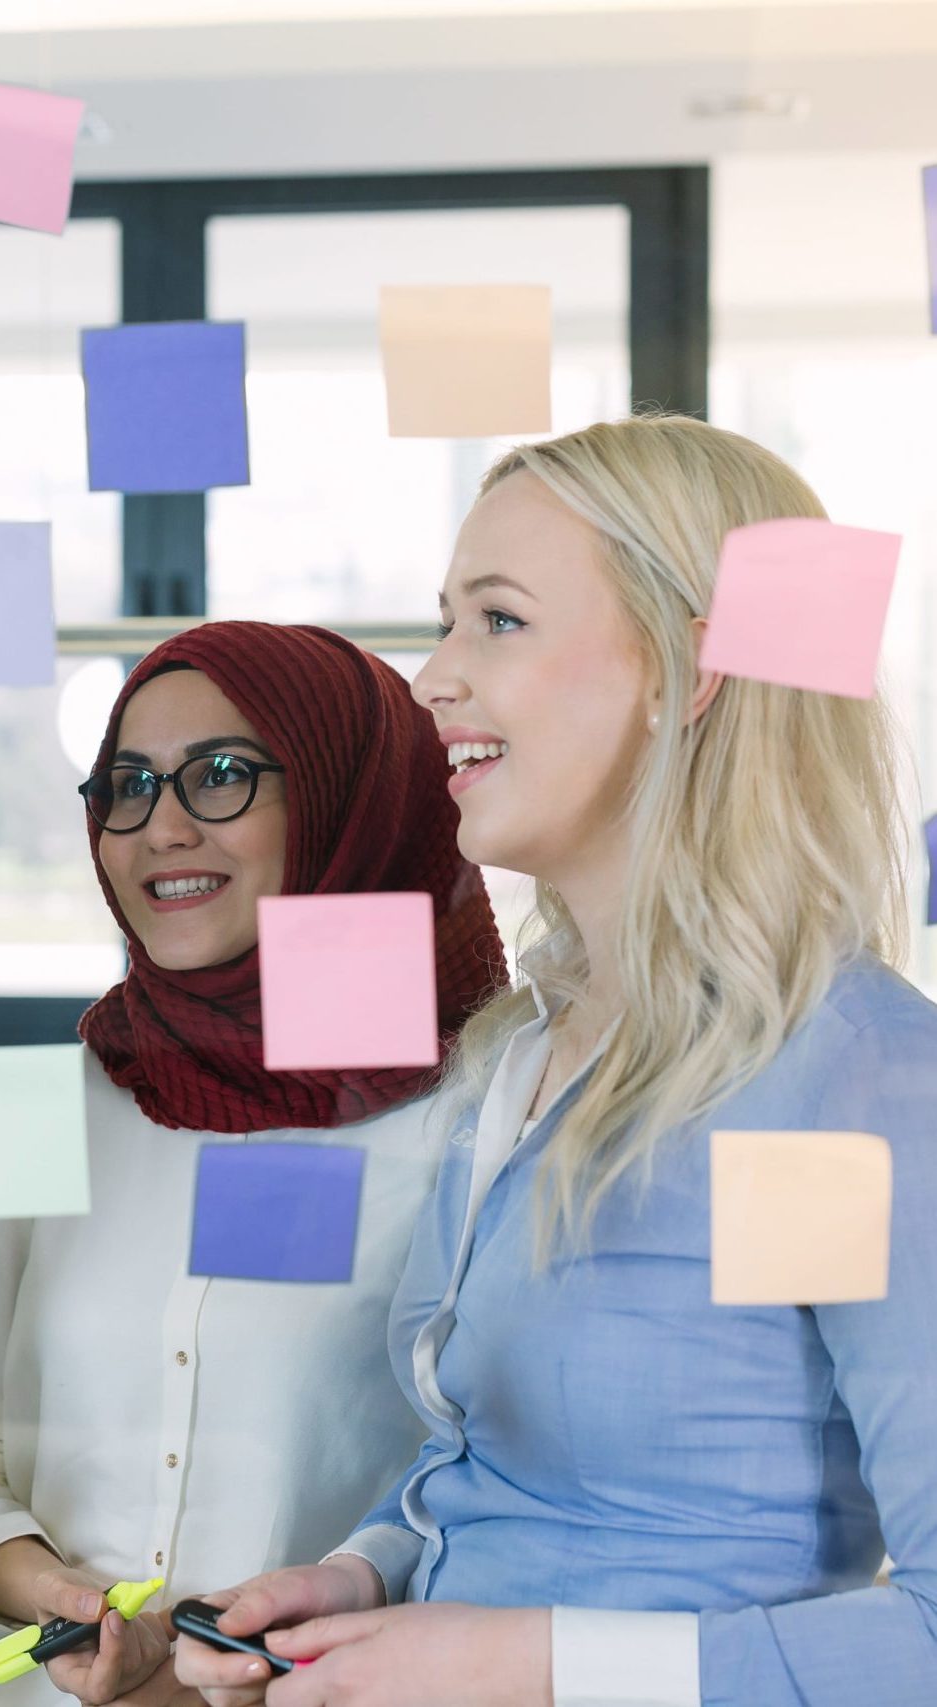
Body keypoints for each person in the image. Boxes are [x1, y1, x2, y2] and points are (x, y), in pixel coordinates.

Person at [175, 415, 937, 1707]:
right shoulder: (522, 1054)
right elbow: (509, 1474)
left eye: (499, 620)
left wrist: (522, 1661)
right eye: (446, 618)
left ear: (687, 669)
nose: (431, 677)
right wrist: (369, 1573)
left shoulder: (849, 1082)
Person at [0, 620, 506, 1706]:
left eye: (221, 776)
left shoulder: (491, 1114)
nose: (159, 828)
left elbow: (509, 1492)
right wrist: (46, 1595)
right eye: (125, 786)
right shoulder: (66, 1095)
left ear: (344, 798)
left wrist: (274, 1650)